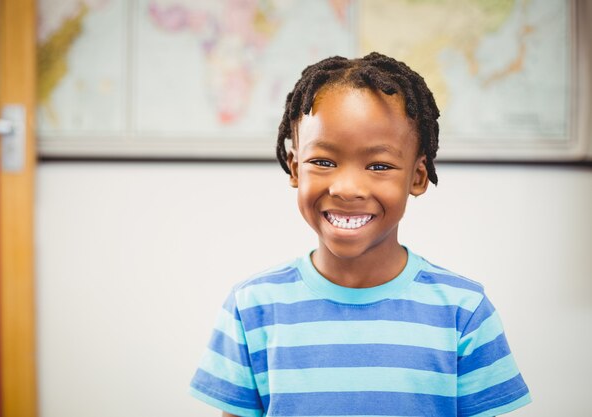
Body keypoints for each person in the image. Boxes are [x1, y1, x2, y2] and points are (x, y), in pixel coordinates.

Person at [189, 52, 531, 417]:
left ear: (417, 177)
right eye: (323, 162)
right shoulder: (251, 307)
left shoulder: (463, 312)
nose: (347, 188)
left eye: (379, 165)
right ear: (294, 170)